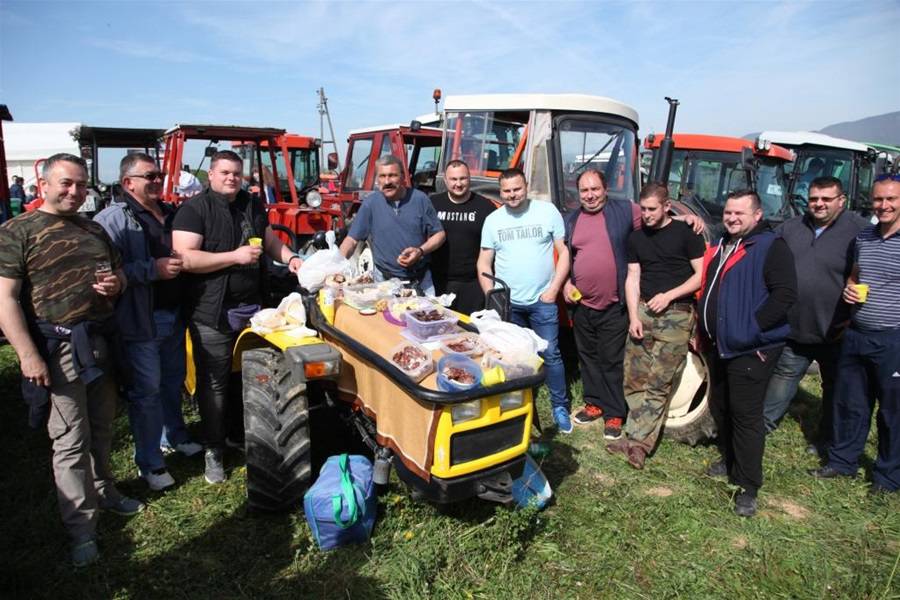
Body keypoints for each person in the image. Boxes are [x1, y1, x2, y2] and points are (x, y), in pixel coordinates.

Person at [0, 153, 145, 567]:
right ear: (43, 184)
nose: (74, 191)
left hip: (100, 343)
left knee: (102, 428)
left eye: (81, 184)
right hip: (57, 349)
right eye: (65, 183)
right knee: (70, 439)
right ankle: (81, 528)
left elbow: (118, 280)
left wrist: (115, 285)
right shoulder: (17, 231)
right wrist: (27, 355)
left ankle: (106, 493)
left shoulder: (94, 228)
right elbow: (5, 299)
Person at [172, 150, 302, 485]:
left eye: (236, 173)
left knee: (253, 376)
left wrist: (291, 258)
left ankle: (243, 436)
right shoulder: (193, 210)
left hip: (254, 309)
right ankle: (213, 450)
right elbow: (184, 258)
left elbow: (270, 239)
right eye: (225, 172)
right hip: (211, 311)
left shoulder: (251, 204)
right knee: (213, 383)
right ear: (211, 175)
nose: (231, 178)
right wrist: (234, 257)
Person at [94, 153, 203, 492]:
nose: (157, 181)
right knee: (147, 392)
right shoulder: (112, 221)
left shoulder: (170, 212)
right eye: (149, 176)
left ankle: (175, 436)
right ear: (128, 183)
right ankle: (150, 463)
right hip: (141, 319)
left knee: (173, 382)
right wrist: (151, 270)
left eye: (159, 176)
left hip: (174, 315)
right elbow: (103, 277)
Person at [698, 189, 797, 516]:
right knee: (722, 406)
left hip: (751, 348)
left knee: (746, 415)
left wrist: (752, 328)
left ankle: (748, 485)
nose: (732, 218)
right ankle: (729, 460)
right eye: (728, 212)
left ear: (757, 215)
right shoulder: (725, 244)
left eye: (740, 213)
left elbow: (784, 296)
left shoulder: (769, 246)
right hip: (721, 345)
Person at [763, 177, 868, 451]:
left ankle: (827, 439)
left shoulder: (860, 231)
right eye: (813, 199)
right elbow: (760, 238)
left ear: (841, 201)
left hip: (837, 329)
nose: (819, 204)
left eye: (826, 199)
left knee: (835, 388)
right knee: (781, 383)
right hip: (795, 328)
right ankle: (758, 431)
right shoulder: (792, 227)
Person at [811, 174, 900, 493]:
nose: (884, 205)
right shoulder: (864, 238)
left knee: (892, 411)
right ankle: (842, 461)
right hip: (858, 332)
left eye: (891, 199)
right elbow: (854, 276)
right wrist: (849, 290)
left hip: (893, 339)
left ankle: (888, 477)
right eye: (879, 199)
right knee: (851, 403)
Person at [605, 183, 705, 468]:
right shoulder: (636, 238)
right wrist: (634, 316)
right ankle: (634, 434)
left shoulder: (687, 233)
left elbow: (700, 276)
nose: (646, 215)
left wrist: (670, 295)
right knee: (634, 377)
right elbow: (633, 277)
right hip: (645, 312)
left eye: (652, 209)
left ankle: (639, 444)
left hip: (676, 313)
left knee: (660, 380)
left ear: (666, 206)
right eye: (643, 209)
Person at [476, 168, 572, 432]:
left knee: (550, 353)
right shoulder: (494, 220)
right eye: (506, 191)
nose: (512, 195)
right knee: (512, 356)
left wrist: (554, 289)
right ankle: (515, 405)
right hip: (509, 303)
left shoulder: (547, 211)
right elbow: (484, 261)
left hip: (543, 299)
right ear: (501, 191)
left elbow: (563, 252)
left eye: (516, 189)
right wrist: (491, 295)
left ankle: (559, 406)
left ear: (526, 186)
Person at [339, 155, 445, 294]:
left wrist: (420, 251)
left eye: (392, 175)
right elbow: (351, 240)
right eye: (382, 176)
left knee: (426, 315)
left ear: (403, 177)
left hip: (420, 282)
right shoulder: (371, 203)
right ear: (377, 179)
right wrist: (337, 269)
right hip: (384, 283)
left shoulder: (420, 199)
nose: (387, 181)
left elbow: (439, 234)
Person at [429, 160, 496, 314]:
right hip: (439, 282)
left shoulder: (485, 207)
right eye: (453, 179)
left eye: (462, 179)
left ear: (469, 178)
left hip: (473, 285)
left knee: (469, 333)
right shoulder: (432, 204)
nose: (458, 184)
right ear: (445, 180)